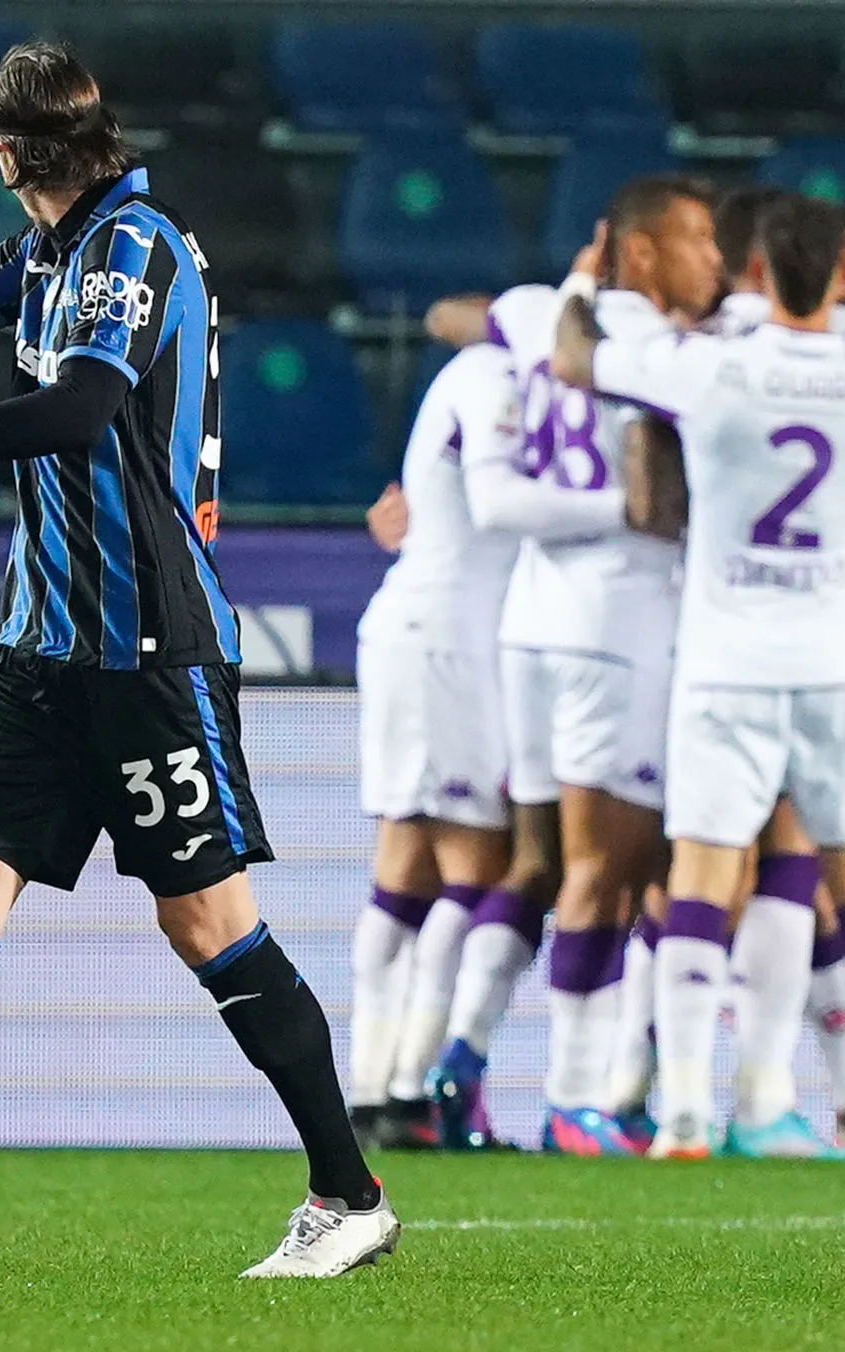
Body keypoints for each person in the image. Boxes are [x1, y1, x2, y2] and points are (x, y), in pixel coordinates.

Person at [0, 43, 396, 1278]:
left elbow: (75, 409)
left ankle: (349, 1194)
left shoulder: (133, 248)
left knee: (208, 921)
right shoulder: (48, 247)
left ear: (3, 153)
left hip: (148, 650)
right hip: (36, 651)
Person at [552, 196, 845, 1158]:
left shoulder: (711, 368)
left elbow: (573, 358)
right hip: (840, 666)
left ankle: (686, 1110)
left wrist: (582, 277)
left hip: (727, 664)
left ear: (758, 272)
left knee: (700, 880)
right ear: (842, 273)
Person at [429, 178, 719, 1157]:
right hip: (617, 626)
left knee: (540, 860)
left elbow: (449, 315)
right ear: (641, 252)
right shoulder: (661, 350)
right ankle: (575, 1096)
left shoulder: (535, 313)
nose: (713, 262)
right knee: (613, 867)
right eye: (696, 241)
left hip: (532, 622)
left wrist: (570, 288)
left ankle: (464, 1055)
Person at [346, 341, 529, 1153]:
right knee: (474, 863)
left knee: (404, 867)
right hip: (451, 642)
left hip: (412, 630)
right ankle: (408, 1091)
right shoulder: (503, 377)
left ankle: (372, 1092)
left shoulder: (474, 372)